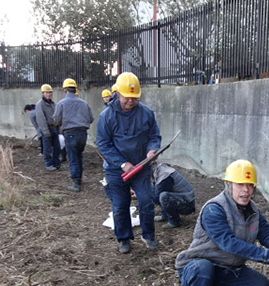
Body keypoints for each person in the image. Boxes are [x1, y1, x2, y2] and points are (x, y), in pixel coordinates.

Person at [96, 72, 161, 254]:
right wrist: (122, 163)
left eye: (134, 97)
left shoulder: (146, 113)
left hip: (141, 166)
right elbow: (103, 144)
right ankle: (123, 238)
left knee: (147, 201)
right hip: (116, 170)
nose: (131, 101)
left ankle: (148, 235)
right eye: (127, 97)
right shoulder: (106, 116)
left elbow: (154, 136)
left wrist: (152, 149)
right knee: (120, 205)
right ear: (117, 93)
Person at [54, 78, 95, 192]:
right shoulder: (84, 103)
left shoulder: (61, 104)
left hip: (70, 133)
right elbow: (91, 119)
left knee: (72, 158)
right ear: (75, 89)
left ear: (65, 89)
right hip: (82, 133)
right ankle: (79, 178)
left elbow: (56, 120)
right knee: (79, 155)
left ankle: (76, 183)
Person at [152, 162, 195, 228]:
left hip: (187, 205)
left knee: (163, 196)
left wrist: (143, 198)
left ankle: (174, 221)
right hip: (181, 198)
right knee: (158, 191)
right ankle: (165, 215)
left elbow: (157, 198)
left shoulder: (165, 176)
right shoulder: (159, 170)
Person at [35, 84, 61, 172]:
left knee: (57, 147)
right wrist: (45, 131)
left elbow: (57, 116)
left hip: (54, 128)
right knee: (47, 148)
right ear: (43, 93)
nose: (49, 94)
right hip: (47, 129)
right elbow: (41, 119)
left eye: (50, 93)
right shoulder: (40, 104)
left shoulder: (53, 104)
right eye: (47, 93)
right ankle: (48, 164)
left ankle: (56, 162)